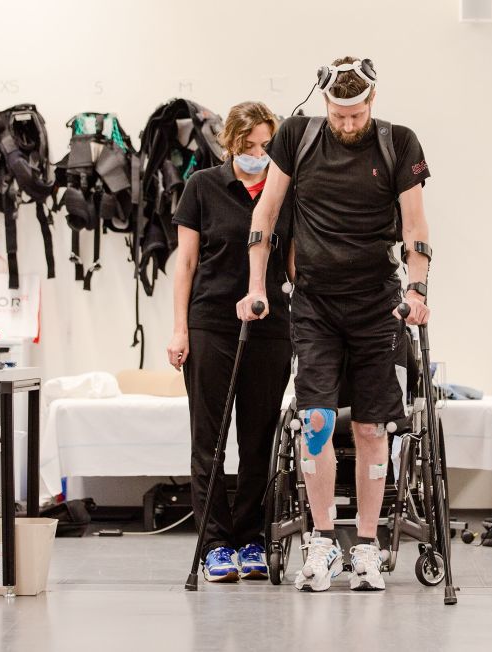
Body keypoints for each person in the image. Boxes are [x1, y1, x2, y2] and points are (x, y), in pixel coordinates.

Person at [236, 57, 433, 592]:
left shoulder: (399, 143)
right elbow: (266, 214)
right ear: (325, 104)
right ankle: (320, 542)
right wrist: (257, 286)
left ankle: (366, 546)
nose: (349, 124)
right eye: (340, 115)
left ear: (372, 102)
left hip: (377, 304)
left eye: (358, 113)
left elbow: (414, 226)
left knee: (372, 428)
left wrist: (417, 290)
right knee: (316, 421)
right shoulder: (297, 137)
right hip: (315, 303)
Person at [168, 102, 293, 583]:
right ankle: (216, 544)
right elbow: (185, 265)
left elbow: (294, 264)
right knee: (211, 440)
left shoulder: (286, 191)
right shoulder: (202, 186)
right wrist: (180, 329)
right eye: (249, 146)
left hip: (271, 328)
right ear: (231, 144)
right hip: (211, 326)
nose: (258, 154)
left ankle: (250, 539)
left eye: (266, 146)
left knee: (259, 438)